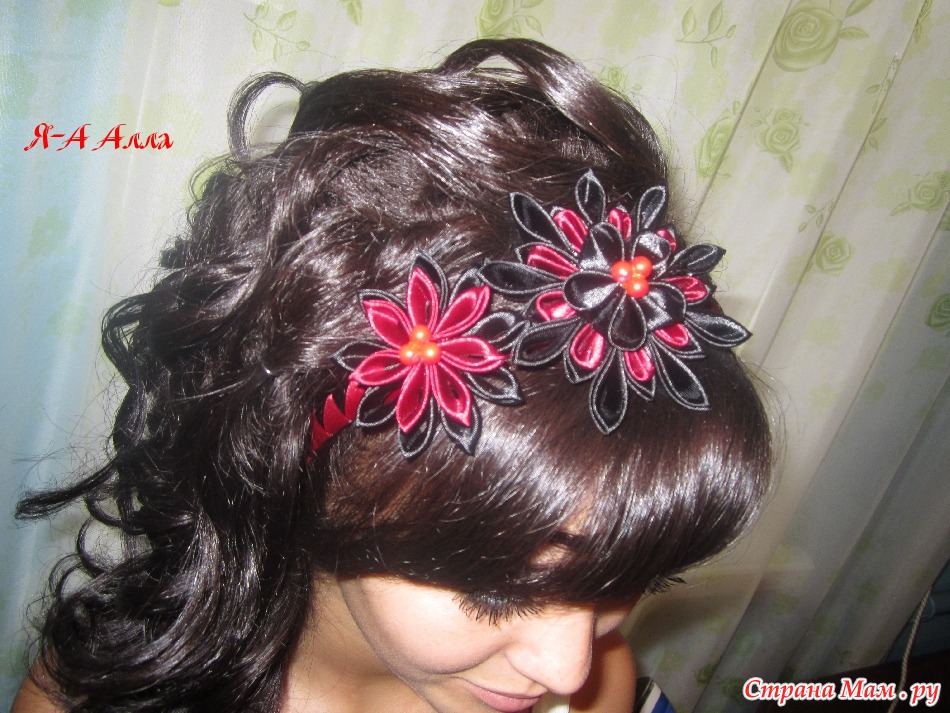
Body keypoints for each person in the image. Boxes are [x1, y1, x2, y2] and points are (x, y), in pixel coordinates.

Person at [12, 38, 772, 713]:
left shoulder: (593, 693)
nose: (571, 667)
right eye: (496, 592)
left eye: (628, 576)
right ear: (305, 477)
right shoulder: (101, 697)